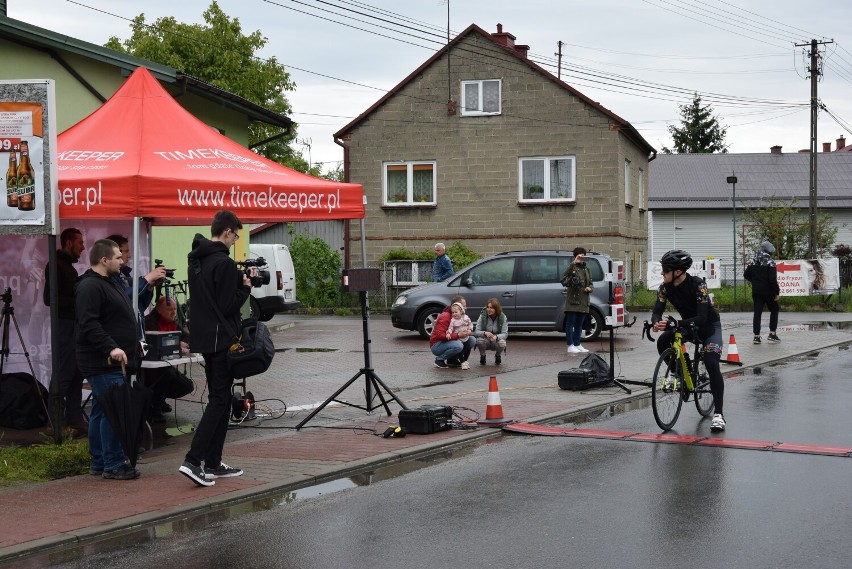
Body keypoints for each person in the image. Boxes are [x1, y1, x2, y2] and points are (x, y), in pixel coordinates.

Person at [179, 210, 252, 487]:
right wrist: (244, 288)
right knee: (219, 400)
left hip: (205, 340)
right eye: (235, 235)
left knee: (220, 401)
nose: (234, 240)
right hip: (222, 341)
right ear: (226, 232)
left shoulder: (197, 261)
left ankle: (212, 462)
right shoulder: (222, 263)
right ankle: (192, 460)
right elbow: (227, 305)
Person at [75, 239, 140, 480]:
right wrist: (111, 347)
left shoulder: (107, 282)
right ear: (104, 260)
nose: (123, 261)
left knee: (102, 410)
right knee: (114, 409)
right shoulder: (90, 287)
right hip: (102, 361)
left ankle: (100, 461)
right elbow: (89, 323)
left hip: (110, 360)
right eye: (118, 257)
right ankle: (112, 464)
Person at [651, 249, 727, 432]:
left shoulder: (698, 285)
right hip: (687, 326)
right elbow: (657, 311)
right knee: (662, 342)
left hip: (709, 327)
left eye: (665, 270)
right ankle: (681, 374)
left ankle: (719, 414)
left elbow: (701, 318)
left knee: (711, 362)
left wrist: (676, 323)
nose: (662, 273)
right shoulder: (664, 287)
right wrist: (655, 323)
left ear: (678, 271)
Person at [43, 227, 86, 435]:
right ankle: (56, 423)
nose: (83, 247)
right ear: (69, 243)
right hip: (65, 325)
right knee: (63, 372)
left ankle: (75, 418)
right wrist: (78, 301)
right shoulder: (55, 265)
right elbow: (49, 299)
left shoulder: (69, 267)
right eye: (80, 243)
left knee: (77, 372)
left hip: (75, 325)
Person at [144, 296, 191, 420]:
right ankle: (155, 406)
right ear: (159, 309)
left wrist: (182, 343)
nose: (174, 312)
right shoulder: (149, 322)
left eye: (175, 309)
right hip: (149, 368)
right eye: (170, 309)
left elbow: (187, 337)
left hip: (165, 365)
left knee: (187, 386)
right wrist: (176, 343)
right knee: (165, 375)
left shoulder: (172, 323)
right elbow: (155, 343)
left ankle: (160, 399)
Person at [105, 234, 167, 314]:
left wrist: (149, 288)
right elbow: (123, 298)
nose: (129, 256)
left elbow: (139, 307)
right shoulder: (106, 278)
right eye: (126, 251)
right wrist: (147, 279)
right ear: (115, 253)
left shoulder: (123, 275)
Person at [744, 241, 781, 344]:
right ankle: (772, 334)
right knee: (774, 308)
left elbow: (746, 275)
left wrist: (756, 282)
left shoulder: (753, 260)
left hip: (756, 291)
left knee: (757, 312)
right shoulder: (770, 261)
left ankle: (756, 336)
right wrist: (776, 292)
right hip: (768, 291)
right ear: (770, 250)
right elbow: (772, 279)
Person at [430, 295, 475, 370]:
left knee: (472, 340)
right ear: (457, 306)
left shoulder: (461, 315)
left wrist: (469, 331)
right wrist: (458, 335)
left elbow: (469, 324)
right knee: (458, 345)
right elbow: (440, 336)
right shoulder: (445, 316)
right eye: (464, 306)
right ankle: (439, 360)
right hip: (436, 345)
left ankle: (453, 360)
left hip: (450, 340)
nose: (466, 308)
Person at [562, 247, 594, 354]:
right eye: (580, 256)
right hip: (573, 300)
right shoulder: (572, 267)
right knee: (570, 323)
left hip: (584, 300)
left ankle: (577, 343)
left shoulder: (587, 269)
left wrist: (590, 288)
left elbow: (590, 282)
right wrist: (574, 263)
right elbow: (564, 276)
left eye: (583, 256)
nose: (582, 258)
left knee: (580, 324)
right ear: (575, 256)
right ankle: (570, 345)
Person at [474, 297, 508, 365]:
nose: (489, 309)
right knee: (479, 341)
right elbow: (476, 332)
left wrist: (496, 337)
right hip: (485, 340)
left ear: (496, 309)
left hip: (495, 340)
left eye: (491, 308)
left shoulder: (503, 317)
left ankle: (498, 355)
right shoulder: (482, 316)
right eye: (488, 307)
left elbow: (505, 334)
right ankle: (483, 355)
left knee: (502, 343)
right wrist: (485, 333)